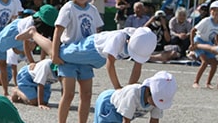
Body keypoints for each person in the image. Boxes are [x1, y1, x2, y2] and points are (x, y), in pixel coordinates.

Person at [51, 0, 104, 123]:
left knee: (87, 94)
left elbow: (96, 32)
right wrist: (55, 54)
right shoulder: (68, 8)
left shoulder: (92, 10)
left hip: (85, 58)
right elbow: (58, 31)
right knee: (68, 93)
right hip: (69, 56)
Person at [69, 71, 176, 123]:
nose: (156, 105)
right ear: (148, 90)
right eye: (155, 100)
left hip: (120, 112)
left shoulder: (157, 100)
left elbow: (154, 121)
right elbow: (126, 119)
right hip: (108, 104)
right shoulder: (133, 93)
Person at [26, 26, 156, 90]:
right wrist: (118, 88)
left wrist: (129, 88)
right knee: (57, 54)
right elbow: (110, 65)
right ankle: (33, 33)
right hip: (90, 49)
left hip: (99, 58)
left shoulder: (143, 42)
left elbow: (138, 66)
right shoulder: (119, 38)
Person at [190, 1, 218, 88]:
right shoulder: (206, 21)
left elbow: (216, 35)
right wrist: (192, 44)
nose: (216, 12)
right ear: (210, 11)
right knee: (204, 62)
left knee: (214, 63)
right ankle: (196, 82)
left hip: (208, 43)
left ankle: (208, 83)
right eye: (214, 10)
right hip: (199, 40)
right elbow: (193, 30)